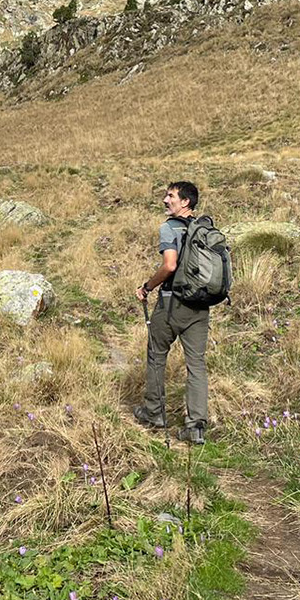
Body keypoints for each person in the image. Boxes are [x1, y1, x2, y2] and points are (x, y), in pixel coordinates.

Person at [133, 180, 209, 444]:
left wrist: (147, 287)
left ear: (185, 202)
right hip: (200, 306)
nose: (165, 200)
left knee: (156, 354)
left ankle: (154, 412)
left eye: (171, 196)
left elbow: (169, 265)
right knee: (196, 364)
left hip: (172, 303)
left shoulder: (169, 228)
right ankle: (196, 427)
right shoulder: (204, 229)